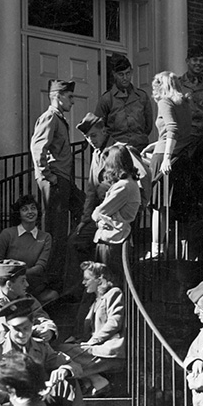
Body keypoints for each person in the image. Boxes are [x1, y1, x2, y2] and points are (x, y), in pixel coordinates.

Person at [0, 297, 101, 406]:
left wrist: (64, 370)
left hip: (40, 399)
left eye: (26, 328)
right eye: (17, 328)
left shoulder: (40, 346)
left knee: (69, 382)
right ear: (7, 326)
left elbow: (74, 366)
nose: (22, 333)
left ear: (33, 326)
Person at [65, 113, 150, 295]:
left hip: (118, 216)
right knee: (75, 240)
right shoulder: (96, 155)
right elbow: (91, 191)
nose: (91, 141)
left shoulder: (120, 150)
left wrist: (141, 205)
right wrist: (84, 220)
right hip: (101, 216)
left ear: (104, 131)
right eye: (87, 138)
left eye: (94, 135)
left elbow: (142, 175)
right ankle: (79, 288)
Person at [31, 79, 83, 289]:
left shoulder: (59, 119)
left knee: (83, 207)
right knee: (54, 232)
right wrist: (47, 176)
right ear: (58, 96)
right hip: (55, 181)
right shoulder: (50, 117)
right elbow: (38, 149)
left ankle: (64, 275)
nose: (73, 101)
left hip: (63, 180)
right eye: (69, 97)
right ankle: (50, 282)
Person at [142, 70, 193, 259]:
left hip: (167, 157)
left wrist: (165, 157)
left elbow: (172, 129)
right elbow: (179, 132)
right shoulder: (185, 103)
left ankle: (156, 248)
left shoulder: (165, 101)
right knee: (173, 206)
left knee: (158, 207)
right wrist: (155, 144)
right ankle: (177, 251)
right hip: (181, 157)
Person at [60, 261, 126, 398]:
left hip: (108, 350)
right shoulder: (95, 300)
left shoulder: (114, 293)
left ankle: (93, 381)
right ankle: (96, 380)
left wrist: (93, 341)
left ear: (99, 280)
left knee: (60, 352)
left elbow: (115, 322)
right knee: (58, 351)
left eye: (87, 279)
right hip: (97, 348)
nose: (83, 283)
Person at [0, 194, 58, 304]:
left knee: (52, 296)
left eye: (33, 208)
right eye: (24, 209)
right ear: (19, 214)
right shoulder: (8, 234)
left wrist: (17, 275)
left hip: (33, 287)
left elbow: (40, 267)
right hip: (9, 287)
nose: (30, 212)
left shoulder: (45, 237)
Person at [91, 145, 141, 284]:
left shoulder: (124, 186)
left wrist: (99, 219)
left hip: (112, 241)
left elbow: (98, 212)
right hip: (115, 239)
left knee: (108, 284)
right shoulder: (130, 183)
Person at [0, 259, 57, 344]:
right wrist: (31, 329)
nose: (27, 284)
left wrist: (49, 330)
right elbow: (6, 323)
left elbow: (41, 316)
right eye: (22, 281)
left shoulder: (27, 299)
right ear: (9, 284)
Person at [176, 45, 203, 191]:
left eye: (201, 61)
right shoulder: (177, 85)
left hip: (202, 139)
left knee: (200, 180)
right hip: (184, 139)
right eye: (195, 60)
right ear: (187, 61)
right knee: (181, 178)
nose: (198, 64)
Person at [94, 53, 154, 150]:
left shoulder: (142, 96)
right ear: (114, 74)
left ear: (132, 72)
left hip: (139, 147)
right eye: (121, 74)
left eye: (128, 73)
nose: (125, 78)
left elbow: (148, 126)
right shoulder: (107, 99)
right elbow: (98, 128)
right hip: (116, 150)